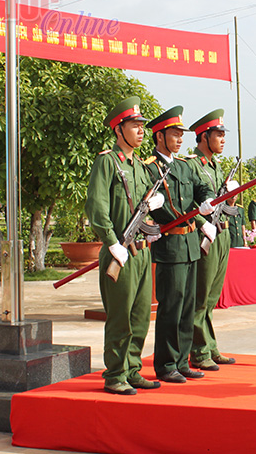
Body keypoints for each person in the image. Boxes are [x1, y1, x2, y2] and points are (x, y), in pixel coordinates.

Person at [85, 96, 164, 396]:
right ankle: (115, 374)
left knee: (140, 317)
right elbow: (97, 207)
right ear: (119, 130)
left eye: (142, 126)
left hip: (142, 252)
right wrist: (111, 242)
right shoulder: (107, 162)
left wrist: (153, 211)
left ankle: (132, 369)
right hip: (120, 252)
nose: (141, 131)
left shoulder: (141, 167)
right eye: (134, 126)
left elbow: (143, 207)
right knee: (120, 318)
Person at [144, 106, 216, 384]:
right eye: (174, 134)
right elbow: (160, 206)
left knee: (187, 307)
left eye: (180, 134)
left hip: (190, 244)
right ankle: (165, 364)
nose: (179, 139)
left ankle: (182, 361)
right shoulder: (151, 168)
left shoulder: (185, 165)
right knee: (171, 308)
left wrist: (206, 199)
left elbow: (200, 187)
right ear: (160, 136)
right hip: (170, 245)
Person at [186, 109, 238, 371]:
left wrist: (232, 196)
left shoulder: (216, 166)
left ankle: (210, 346)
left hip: (222, 234)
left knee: (212, 296)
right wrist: (201, 223)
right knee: (201, 296)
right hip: (206, 234)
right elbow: (187, 203)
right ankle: (198, 351)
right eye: (218, 134)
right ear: (204, 137)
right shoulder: (191, 166)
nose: (223, 139)